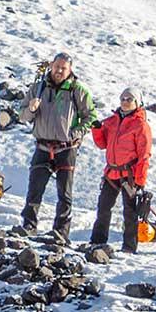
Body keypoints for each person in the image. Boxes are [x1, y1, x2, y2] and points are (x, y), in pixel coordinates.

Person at [18, 51, 96, 242]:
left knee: (65, 193)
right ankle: (29, 226)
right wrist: (31, 109)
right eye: (57, 66)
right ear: (51, 65)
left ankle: (61, 231)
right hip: (42, 146)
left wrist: (74, 133)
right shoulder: (38, 88)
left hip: (66, 148)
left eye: (64, 68)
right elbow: (22, 116)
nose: (59, 70)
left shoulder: (78, 90)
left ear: (70, 70)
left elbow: (91, 117)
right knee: (35, 188)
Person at [89, 89, 151, 253]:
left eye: (129, 99)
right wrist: (96, 130)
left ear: (137, 103)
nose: (125, 101)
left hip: (129, 175)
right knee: (103, 207)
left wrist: (140, 180)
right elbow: (102, 144)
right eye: (123, 98)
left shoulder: (141, 125)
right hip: (111, 173)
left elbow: (144, 155)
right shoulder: (111, 121)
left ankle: (129, 247)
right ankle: (97, 242)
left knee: (130, 212)